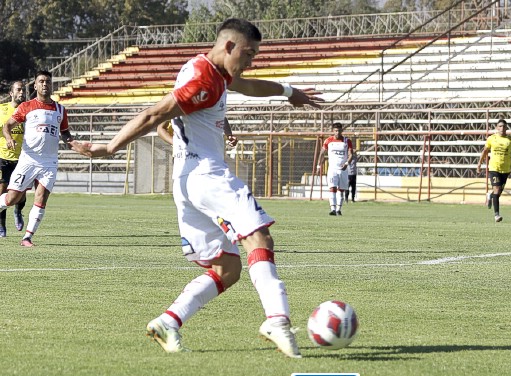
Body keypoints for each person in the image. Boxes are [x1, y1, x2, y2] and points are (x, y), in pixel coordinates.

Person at [71, 18, 322, 358]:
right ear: (229, 46)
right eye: (248, 54)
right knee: (258, 237)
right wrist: (110, 147)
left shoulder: (211, 72)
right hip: (207, 176)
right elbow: (153, 114)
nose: (251, 61)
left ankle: (168, 321)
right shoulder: (204, 78)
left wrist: (288, 92)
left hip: (187, 181)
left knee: (227, 268)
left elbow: (246, 85)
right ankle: (277, 321)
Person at [1, 71, 84, 247]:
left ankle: (27, 237)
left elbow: (65, 132)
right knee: (11, 199)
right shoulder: (26, 106)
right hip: (28, 160)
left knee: (41, 196)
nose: (45, 84)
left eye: (47, 81)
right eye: (41, 81)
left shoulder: (60, 110)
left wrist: (75, 144)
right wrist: (8, 138)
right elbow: (7, 125)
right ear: (35, 86)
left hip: (49, 162)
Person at [0, 81, 27, 237]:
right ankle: (2, 226)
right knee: (2, 192)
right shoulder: (2, 110)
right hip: (2, 157)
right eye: (18, 89)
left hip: (22, 158)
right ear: (11, 93)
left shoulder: (28, 111)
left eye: (23, 89)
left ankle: (18, 210)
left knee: (20, 194)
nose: (22, 92)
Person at [477, 118, 511, 222]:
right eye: (500, 126)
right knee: (497, 190)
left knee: (498, 193)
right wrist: (479, 164)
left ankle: (490, 196)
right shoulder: (492, 138)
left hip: (506, 169)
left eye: (504, 126)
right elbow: (485, 151)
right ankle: (497, 215)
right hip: (494, 168)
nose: (502, 128)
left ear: (506, 127)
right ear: (496, 128)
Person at [319, 122, 353, 215]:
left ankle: (339, 209)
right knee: (332, 188)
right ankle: (333, 209)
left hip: (343, 169)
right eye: (336, 130)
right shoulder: (328, 140)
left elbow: (351, 155)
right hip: (332, 169)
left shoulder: (346, 141)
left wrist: (346, 163)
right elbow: (322, 153)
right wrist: (319, 165)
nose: (337, 132)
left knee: (341, 189)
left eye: (339, 130)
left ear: (342, 131)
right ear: (333, 131)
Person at [158, 118, 238, 148]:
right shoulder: (175, 101)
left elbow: (222, 118)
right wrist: (175, 142)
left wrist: (229, 135)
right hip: (182, 155)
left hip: (206, 153)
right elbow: (160, 128)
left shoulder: (207, 98)